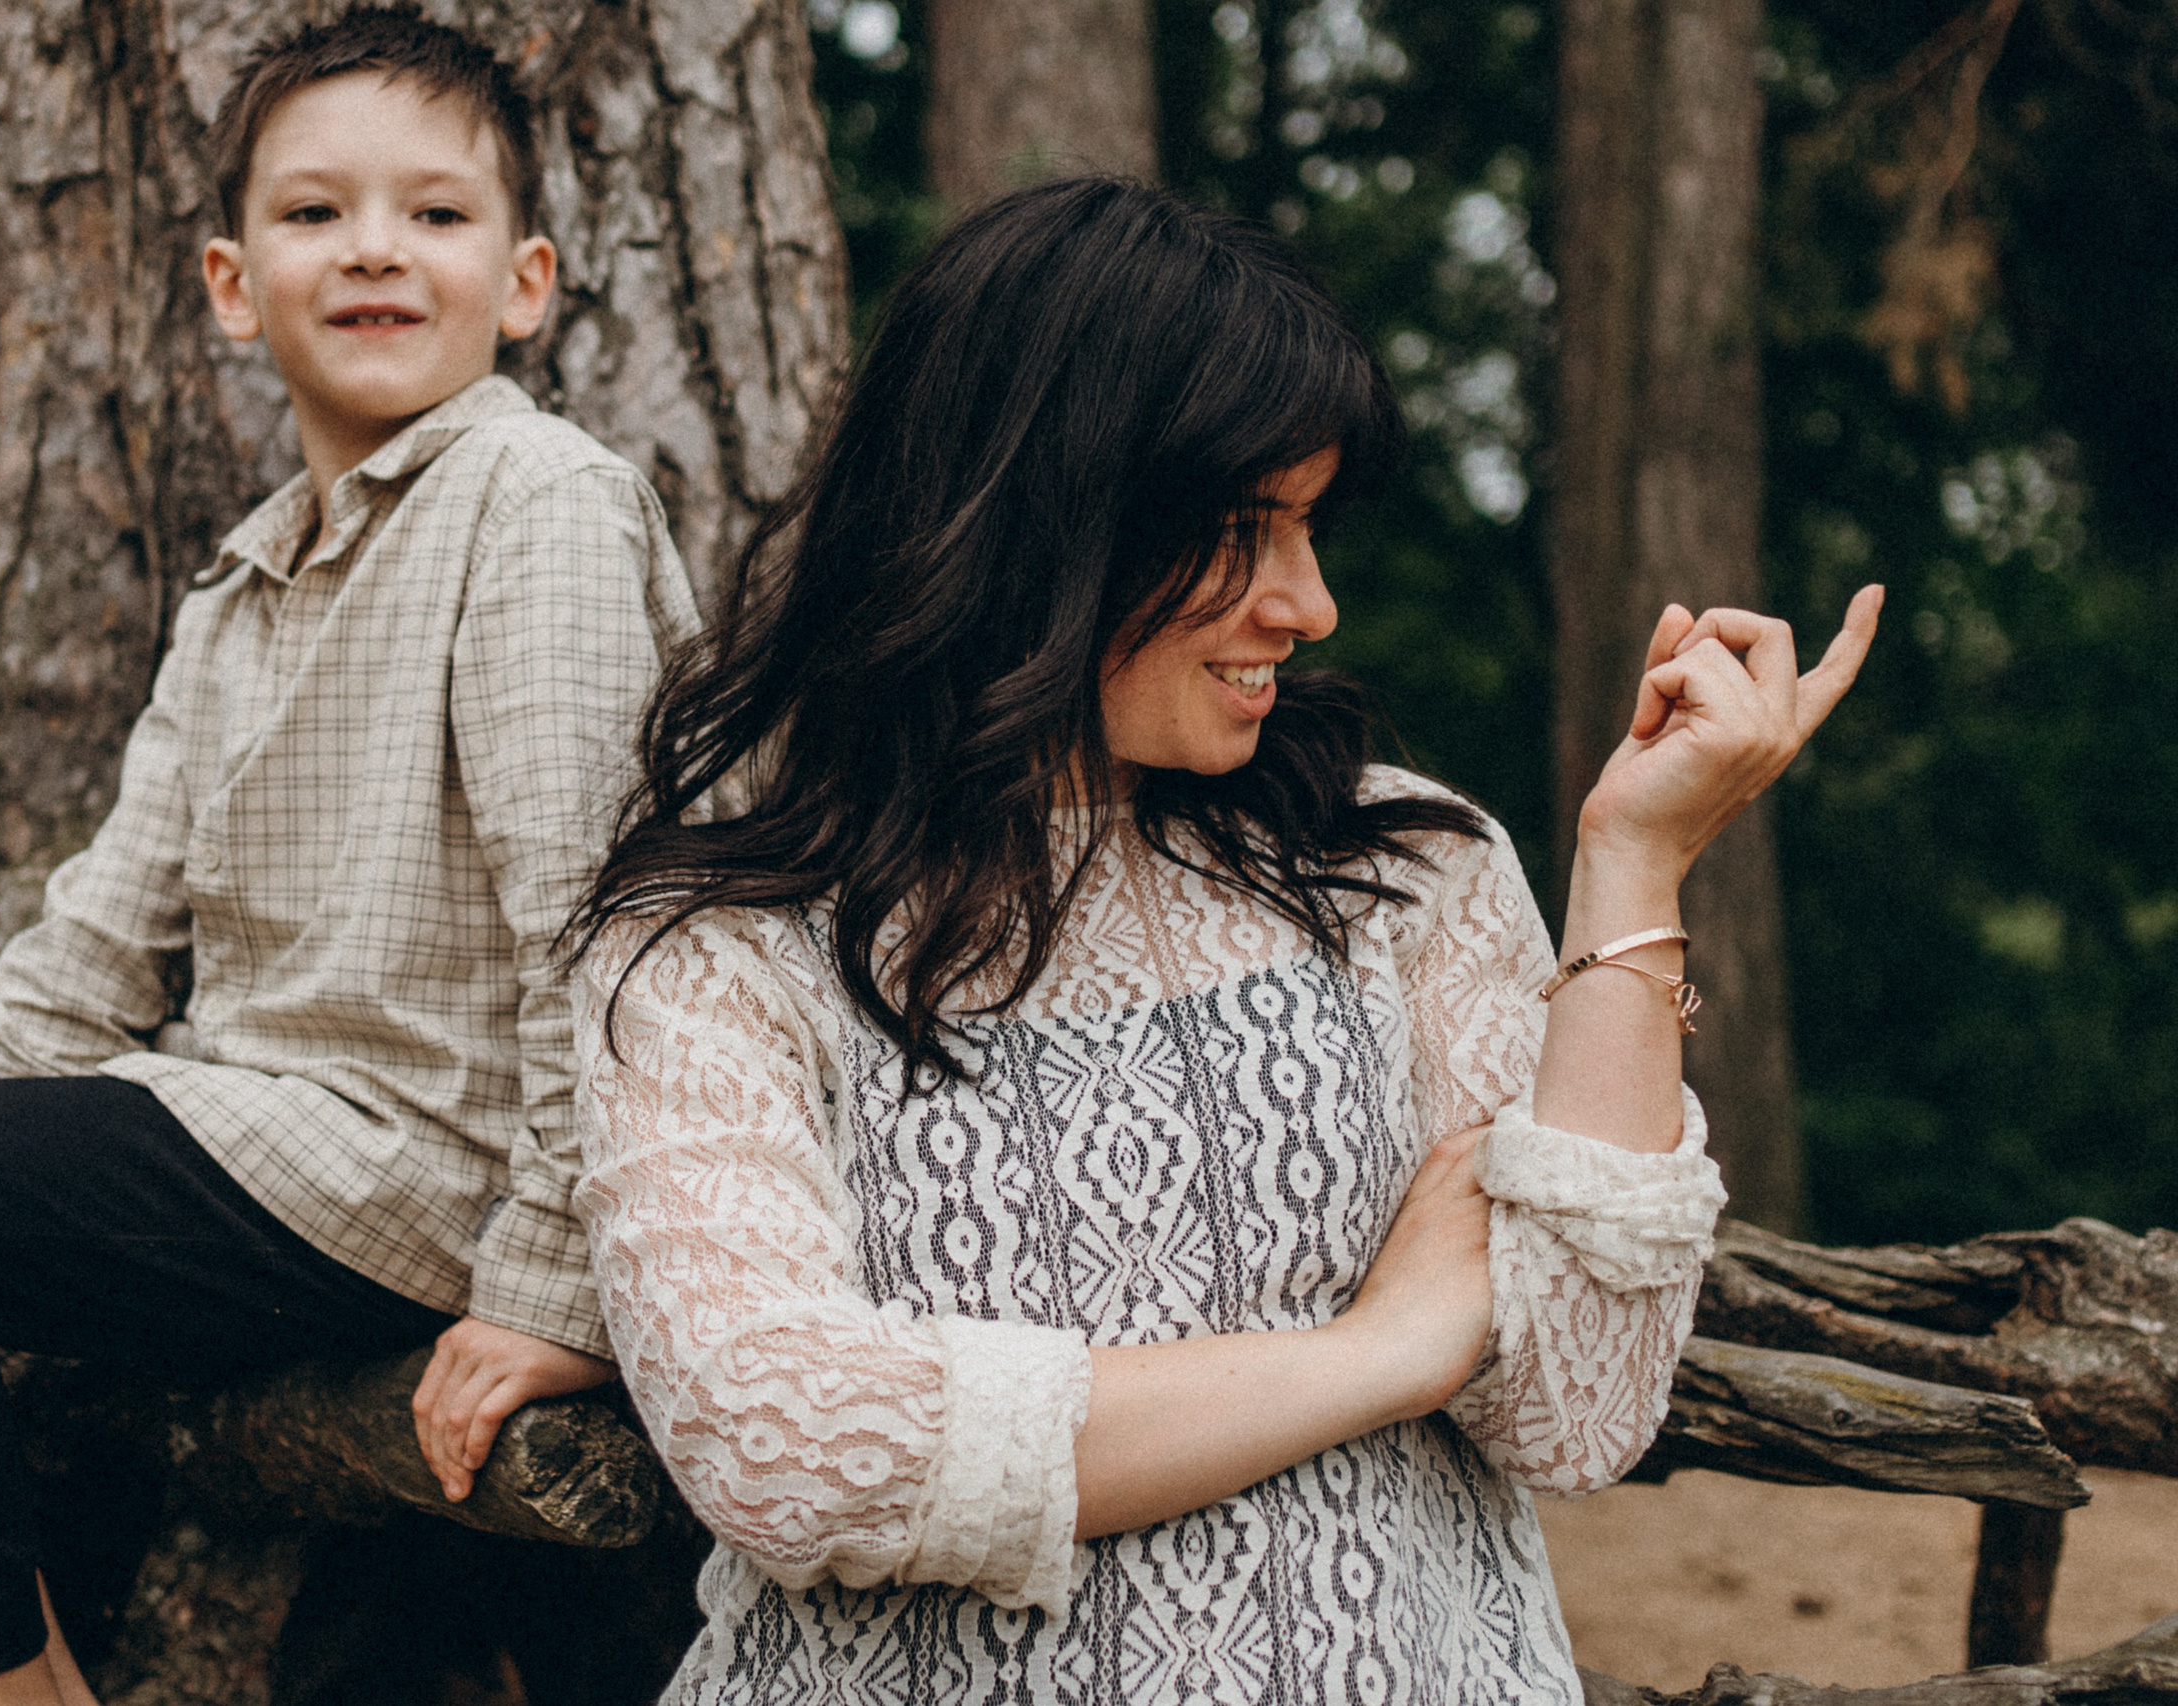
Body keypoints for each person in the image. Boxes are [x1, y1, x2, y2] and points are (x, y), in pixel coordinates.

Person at [568, 176, 1881, 1705]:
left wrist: (1637, 857)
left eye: (1311, 526)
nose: (1310, 604)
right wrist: (1382, 1353)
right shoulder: (724, 950)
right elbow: (792, 1446)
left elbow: (1580, 1406)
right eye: (1248, 532)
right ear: (1042, 515)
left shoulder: (1402, 868)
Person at [0, 8, 697, 1700]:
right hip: (284, 1126)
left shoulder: (536, 502)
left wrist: (559, 1289)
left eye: (438, 213)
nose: (377, 249)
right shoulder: (249, 580)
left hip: (441, 1164)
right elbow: (102, 933)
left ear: (527, 280)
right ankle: (26, 1587)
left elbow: (602, 932)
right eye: (317, 212)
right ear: (234, 283)